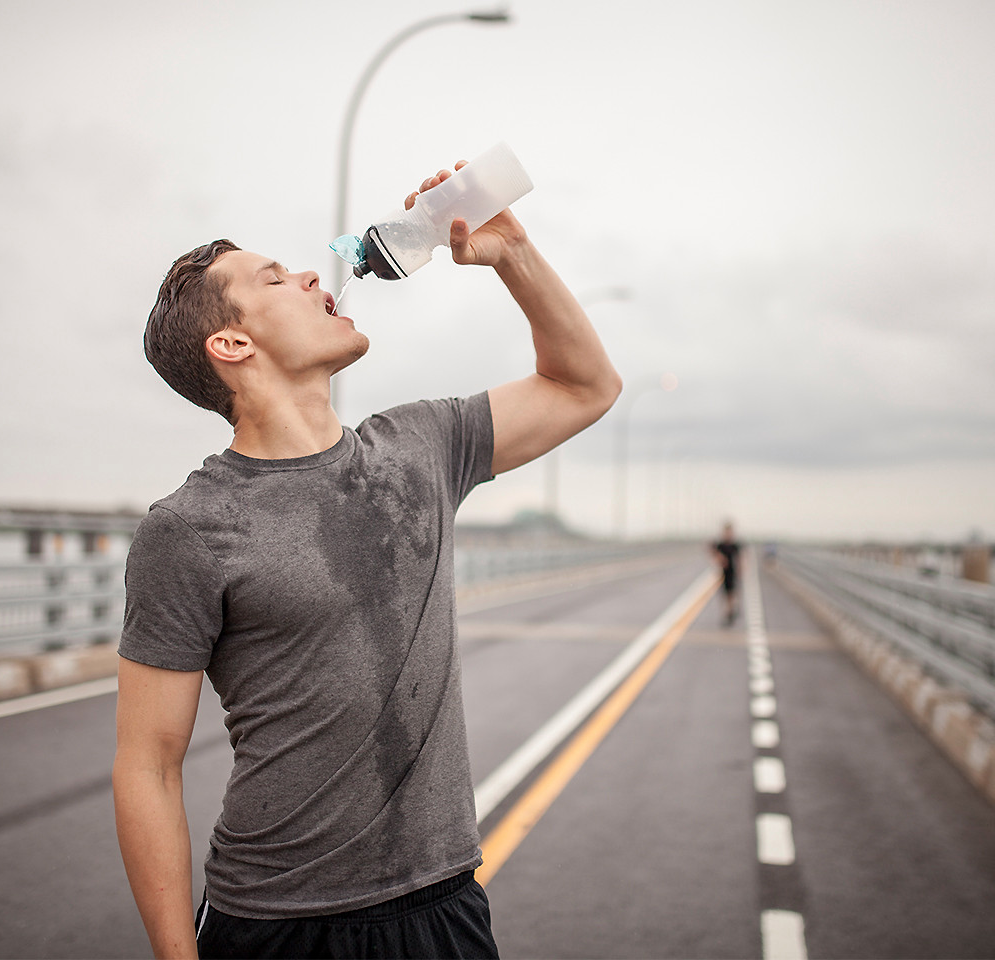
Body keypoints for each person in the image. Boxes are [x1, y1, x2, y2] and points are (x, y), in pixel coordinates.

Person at [112, 160, 623, 960]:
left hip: (443, 904)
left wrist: (513, 253)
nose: (314, 273)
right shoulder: (189, 528)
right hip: (278, 924)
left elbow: (585, 385)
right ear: (234, 342)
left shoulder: (420, 445)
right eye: (276, 277)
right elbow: (147, 765)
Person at [710, 521, 741, 626]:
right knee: (724, 594)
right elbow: (712, 552)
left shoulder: (734, 545)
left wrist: (741, 568)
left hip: (732, 572)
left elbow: (740, 558)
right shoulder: (721, 545)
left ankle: (731, 611)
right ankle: (727, 613)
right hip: (723, 572)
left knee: (731, 593)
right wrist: (720, 559)